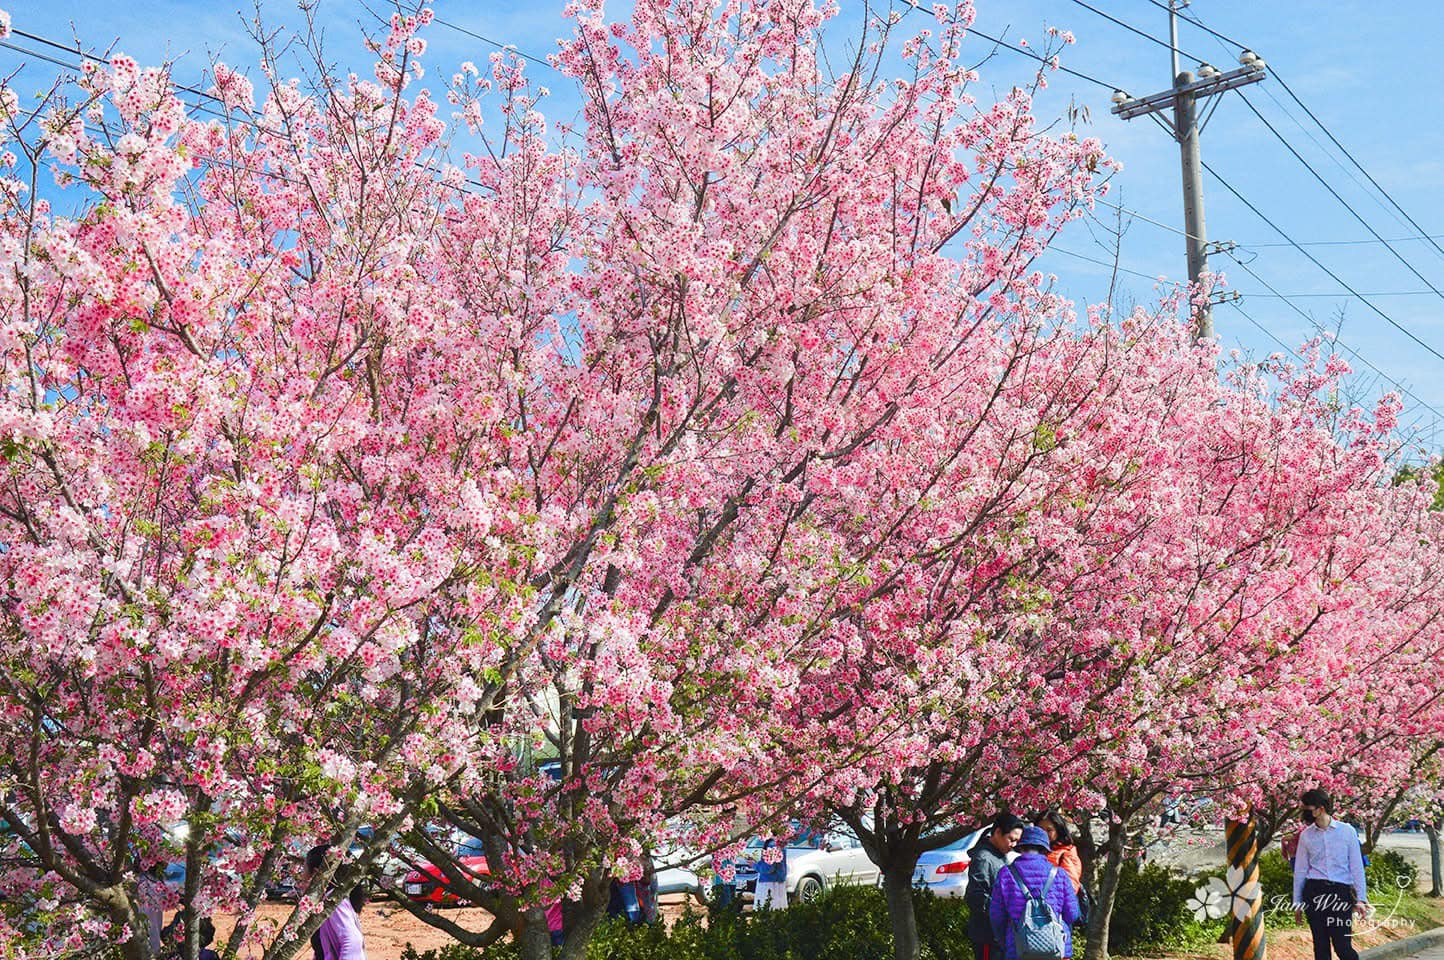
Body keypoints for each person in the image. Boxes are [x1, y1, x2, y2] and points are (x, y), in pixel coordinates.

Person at [1292, 789, 1368, 960]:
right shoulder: (1306, 836)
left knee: (1343, 946)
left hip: (1340, 893)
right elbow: (1301, 870)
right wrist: (1297, 902)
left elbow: (1356, 867)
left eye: (1308, 809)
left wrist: (1361, 898)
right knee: (1320, 947)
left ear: (1321, 808)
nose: (1305, 814)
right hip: (1314, 892)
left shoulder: (1347, 831)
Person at [990, 826, 1081, 960]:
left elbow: (997, 916)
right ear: (1044, 849)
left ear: (1021, 848)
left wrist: (1007, 942)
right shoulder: (1059, 874)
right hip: (1056, 949)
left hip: (1019, 950)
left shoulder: (1006, 874)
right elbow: (1072, 914)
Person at [966, 813, 1027, 960]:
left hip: (998, 934)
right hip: (987, 934)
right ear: (998, 832)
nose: (1013, 845)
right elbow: (976, 897)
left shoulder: (998, 855)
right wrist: (1000, 913)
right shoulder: (984, 858)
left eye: (1017, 841)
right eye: (1011, 839)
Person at [317, 882, 369, 960]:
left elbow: (352, 941)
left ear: (316, 872)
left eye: (303, 870)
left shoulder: (332, 901)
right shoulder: (322, 901)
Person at [1033, 812, 1083, 893]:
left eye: (1049, 830)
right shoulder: (1031, 851)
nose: (1044, 833)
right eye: (1040, 829)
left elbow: (1071, 888)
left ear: (1058, 831)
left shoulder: (1066, 854)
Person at [753, 837, 788, 911]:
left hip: (768, 883)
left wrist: (754, 865)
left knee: (767, 908)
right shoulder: (780, 844)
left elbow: (768, 868)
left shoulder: (771, 845)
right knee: (779, 909)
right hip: (779, 881)